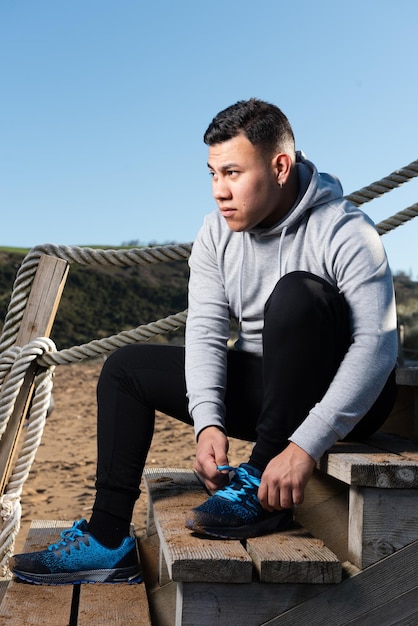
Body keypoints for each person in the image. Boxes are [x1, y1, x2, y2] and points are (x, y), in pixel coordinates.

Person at [11, 99, 398, 584]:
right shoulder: (216, 233)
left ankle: (258, 483)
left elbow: (377, 348)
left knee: (299, 293)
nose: (219, 191)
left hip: (347, 394)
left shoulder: (343, 228)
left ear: (279, 166)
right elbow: (207, 332)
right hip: (269, 388)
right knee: (125, 368)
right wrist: (206, 422)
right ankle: (108, 538)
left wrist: (303, 447)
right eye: (213, 174)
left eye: (232, 173)